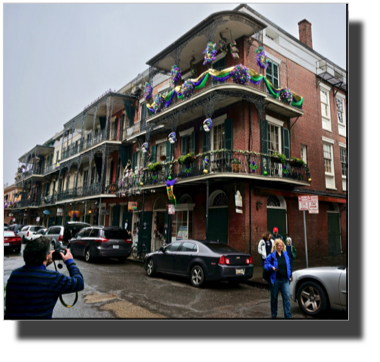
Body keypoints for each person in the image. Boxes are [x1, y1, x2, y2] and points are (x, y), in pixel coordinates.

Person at [5, 236, 84, 319]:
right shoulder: (53, 278)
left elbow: (34, 271)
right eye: (49, 252)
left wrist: (44, 261)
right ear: (46, 256)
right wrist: (70, 261)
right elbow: (79, 283)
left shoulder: (15, 275)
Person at [264, 238, 292, 318]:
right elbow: (266, 264)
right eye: (279, 246)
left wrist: (289, 275)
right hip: (275, 280)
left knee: (286, 298)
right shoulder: (272, 255)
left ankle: (288, 316)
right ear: (276, 246)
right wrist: (271, 267)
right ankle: (274, 315)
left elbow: (288, 265)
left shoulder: (285, 254)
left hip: (285, 280)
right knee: (274, 298)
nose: (281, 247)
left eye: (282, 246)